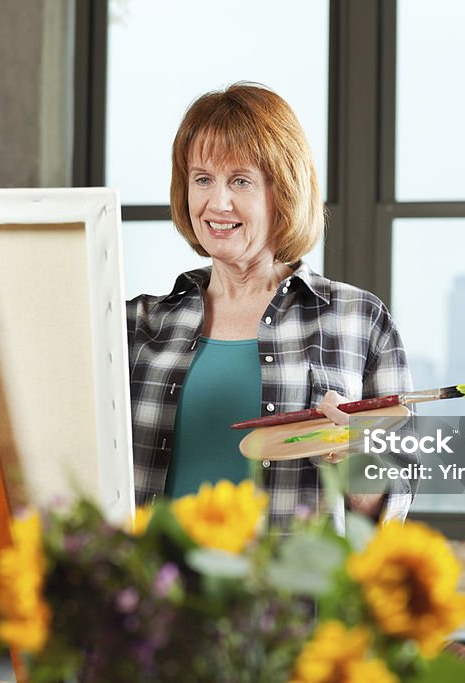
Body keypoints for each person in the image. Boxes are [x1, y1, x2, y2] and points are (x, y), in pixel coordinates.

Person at [127, 83, 413, 527]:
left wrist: (350, 457)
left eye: (240, 180)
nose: (216, 202)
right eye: (202, 178)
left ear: (283, 190)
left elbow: (392, 507)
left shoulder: (360, 319)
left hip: (286, 595)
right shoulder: (136, 326)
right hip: (158, 594)